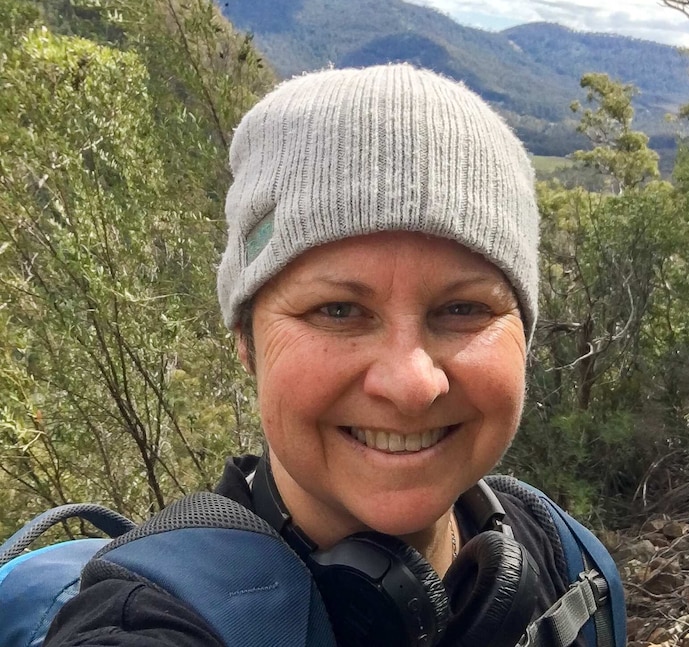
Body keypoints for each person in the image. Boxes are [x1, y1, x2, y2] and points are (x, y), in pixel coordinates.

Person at [44, 63, 576, 646]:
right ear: (246, 341)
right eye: (338, 311)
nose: (411, 383)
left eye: (463, 309)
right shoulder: (146, 623)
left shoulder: (566, 560)